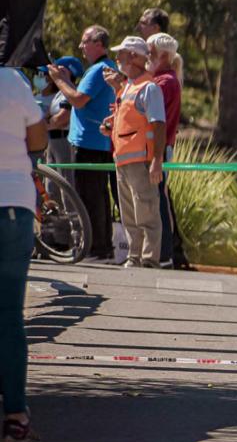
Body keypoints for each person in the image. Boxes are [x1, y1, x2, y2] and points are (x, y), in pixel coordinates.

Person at [0, 67, 48, 442]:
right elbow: (38, 138)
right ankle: (15, 417)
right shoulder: (12, 81)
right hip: (13, 204)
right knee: (9, 314)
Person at [48, 26, 117, 261]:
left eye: (84, 41)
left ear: (98, 43)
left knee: (90, 198)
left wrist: (59, 80)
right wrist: (67, 81)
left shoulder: (98, 69)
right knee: (97, 195)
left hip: (90, 143)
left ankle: (97, 248)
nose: (81, 47)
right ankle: (102, 246)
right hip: (95, 142)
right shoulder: (100, 68)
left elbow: (78, 100)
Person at [101, 37, 167, 268]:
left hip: (141, 161)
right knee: (129, 213)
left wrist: (157, 160)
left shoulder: (149, 88)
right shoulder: (128, 87)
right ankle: (134, 257)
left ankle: (149, 260)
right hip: (124, 161)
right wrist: (110, 127)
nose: (117, 57)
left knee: (146, 211)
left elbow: (159, 125)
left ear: (134, 56)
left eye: (121, 53)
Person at [146, 33, 183, 268]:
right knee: (156, 198)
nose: (146, 57)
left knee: (157, 199)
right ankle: (161, 252)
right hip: (159, 147)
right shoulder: (163, 80)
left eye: (150, 52)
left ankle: (163, 252)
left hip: (159, 148)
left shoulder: (164, 82)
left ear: (164, 55)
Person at [37, 57, 84, 189]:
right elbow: (49, 115)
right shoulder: (60, 93)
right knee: (51, 184)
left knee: (65, 182)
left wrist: (43, 126)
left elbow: (62, 119)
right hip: (53, 140)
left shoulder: (70, 91)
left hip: (63, 140)